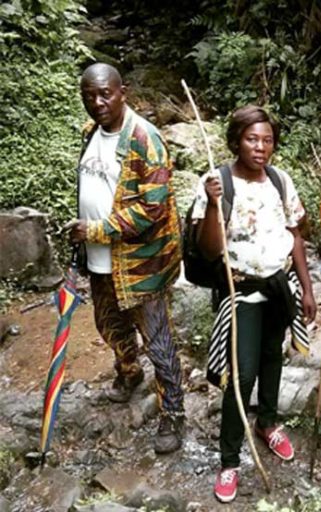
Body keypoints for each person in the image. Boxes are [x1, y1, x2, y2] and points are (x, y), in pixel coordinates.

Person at [191, 105, 316, 503]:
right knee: (242, 375)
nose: (260, 147)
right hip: (240, 290)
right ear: (235, 142)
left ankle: (268, 423)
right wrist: (213, 205)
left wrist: (308, 288)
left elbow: (295, 234)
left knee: (272, 357)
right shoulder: (217, 183)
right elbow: (209, 250)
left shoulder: (279, 181)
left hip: (279, 286)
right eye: (251, 139)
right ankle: (229, 461)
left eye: (267, 140)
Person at [64, 63, 184, 454]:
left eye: (104, 94)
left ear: (123, 92)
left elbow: (152, 210)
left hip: (142, 264)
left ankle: (173, 413)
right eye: (88, 95)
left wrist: (95, 229)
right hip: (100, 259)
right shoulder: (90, 134)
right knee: (108, 323)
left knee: (158, 340)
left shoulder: (145, 139)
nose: (96, 102)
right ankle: (129, 373)